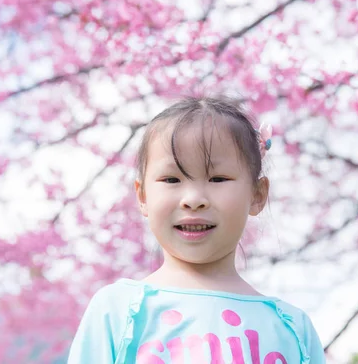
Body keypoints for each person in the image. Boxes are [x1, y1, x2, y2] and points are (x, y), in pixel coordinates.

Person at [68, 96, 326, 364]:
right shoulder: (119, 311)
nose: (193, 198)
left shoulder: (292, 329)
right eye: (171, 179)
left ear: (258, 195)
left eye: (218, 179)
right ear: (143, 195)